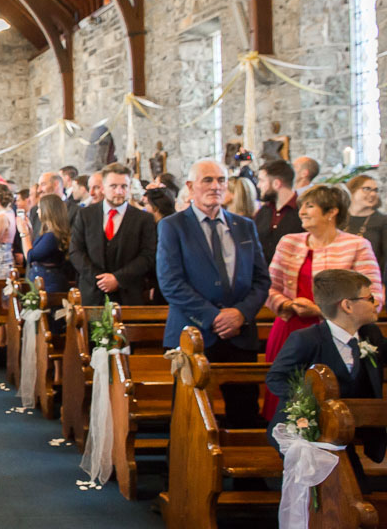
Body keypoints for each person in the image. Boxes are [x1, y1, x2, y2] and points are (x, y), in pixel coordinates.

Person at [156, 159, 270, 428]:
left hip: (239, 334)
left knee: (244, 411)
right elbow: (171, 282)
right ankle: (185, 470)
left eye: (220, 180)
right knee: (189, 414)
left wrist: (240, 314)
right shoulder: (173, 226)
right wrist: (213, 317)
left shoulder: (244, 226)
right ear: (190, 186)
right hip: (193, 333)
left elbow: (261, 279)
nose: (215, 186)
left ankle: (246, 466)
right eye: (207, 180)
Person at [262, 184, 383, 419]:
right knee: (286, 402)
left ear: (331, 212)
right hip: (290, 328)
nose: (302, 212)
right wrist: (288, 305)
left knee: (331, 401)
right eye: (301, 207)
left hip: (337, 332)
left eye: (310, 206)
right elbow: (269, 287)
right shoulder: (289, 242)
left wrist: (319, 310)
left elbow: (373, 297)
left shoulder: (357, 245)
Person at [265, 268, 384, 470]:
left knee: (358, 486)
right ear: (347, 305)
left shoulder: (370, 335)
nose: (376, 303)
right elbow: (276, 378)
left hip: (351, 431)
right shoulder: (307, 339)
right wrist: (311, 403)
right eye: (370, 298)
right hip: (311, 434)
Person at [68, 163, 157, 306]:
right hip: (92, 293)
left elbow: (147, 255)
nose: (119, 191)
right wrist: (100, 280)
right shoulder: (85, 215)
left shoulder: (143, 219)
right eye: (113, 186)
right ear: (103, 188)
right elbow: (76, 251)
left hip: (128, 294)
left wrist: (117, 279)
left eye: (124, 186)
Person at [16, 194, 74, 292]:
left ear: (47, 211)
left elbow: (30, 256)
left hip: (48, 285)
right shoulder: (50, 233)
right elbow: (36, 250)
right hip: (44, 282)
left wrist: (24, 233)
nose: (37, 211)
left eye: (39, 208)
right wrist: (29, 232)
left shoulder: (52, 236)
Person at [253, 159, 302, 264]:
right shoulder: (263, 212)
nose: (258, 185)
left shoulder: (303, 212)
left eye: (261, 180)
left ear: (276, 183)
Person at [345, 174, 387, 281]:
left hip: (369, 281)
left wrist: (382, 283)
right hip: (341, 280)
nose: (373, 194)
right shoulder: (338, 218)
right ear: (352, 190)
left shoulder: (383, 221)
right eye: (367, 189)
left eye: (376, 190)